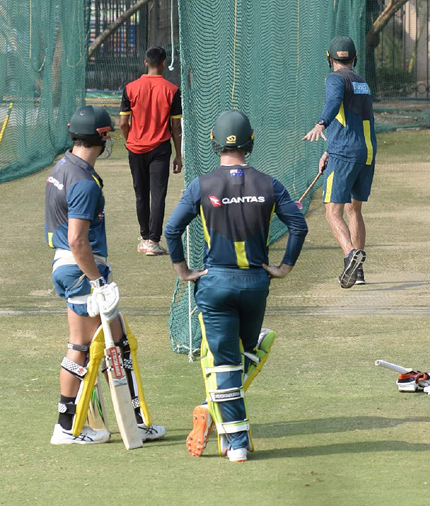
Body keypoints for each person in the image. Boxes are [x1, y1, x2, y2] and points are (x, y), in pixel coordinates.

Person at [166, 110, 308, 463]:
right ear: (252, 141)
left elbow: (171, 230)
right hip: (256, 285)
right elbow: (298, 226)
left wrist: (183, 271)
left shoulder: (201, 185)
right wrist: (284, 268)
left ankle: (237, 443)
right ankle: (222, 422)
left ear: (214, 143)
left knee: (228, 364)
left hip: (215, 285)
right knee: (242, 356)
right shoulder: (270, 184)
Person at [45, 104, 165, 444]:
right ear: (101, 137)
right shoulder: (84, 182)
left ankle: (88, 423)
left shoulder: (63, 167)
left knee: (109, 342)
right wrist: (97, 280)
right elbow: (77, 239)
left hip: (68, 266)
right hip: (82, 269)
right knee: (87, 348)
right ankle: (69, 427)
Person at [302, 36, 376, 288]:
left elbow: (334, 103)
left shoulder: (335, 78)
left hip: (345, 153)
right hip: (365, 151)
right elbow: (351, 120)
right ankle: (359, 272)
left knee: (332, 211)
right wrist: (328, 150)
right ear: (354, 58)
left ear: (330, 59)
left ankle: (349, 256)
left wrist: (320, 123)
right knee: (353, 209)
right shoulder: (362, 82)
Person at [119, 45, 183, 256]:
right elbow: (175, 127)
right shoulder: (172, 90)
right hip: (160, 149)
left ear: (146, 63)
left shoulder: (130, 88)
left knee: (140, 195)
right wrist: (178, 155)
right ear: (164, 63)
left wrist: (131, 141)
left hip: (136, 149)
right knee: (158, 195)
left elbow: (122, 122)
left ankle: (145, 237)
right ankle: (153, 242)